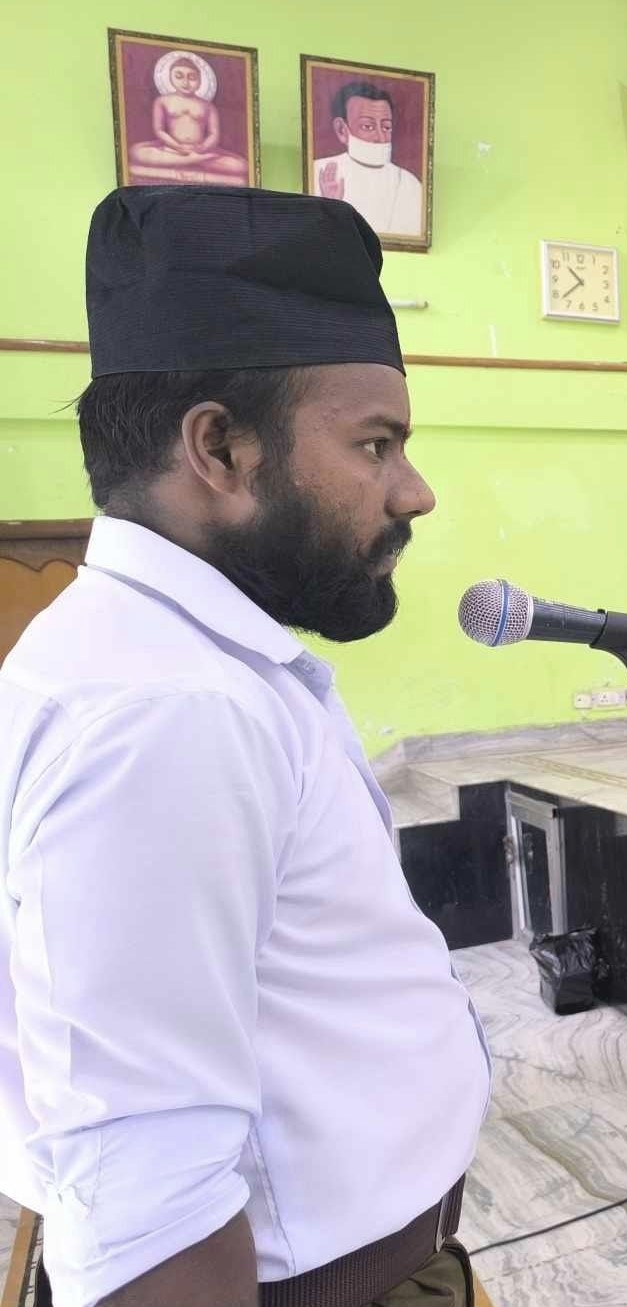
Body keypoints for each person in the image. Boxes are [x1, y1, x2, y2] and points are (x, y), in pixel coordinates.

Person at [0, 187, 486, 1306]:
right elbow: (150, 1214)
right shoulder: (168, 710)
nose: (414, 490)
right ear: (219, 447)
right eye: (375, 444)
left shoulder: (171, 657)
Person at [314, 81, 426, 239]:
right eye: (368, 126)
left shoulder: (410, 184)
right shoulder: (317, 171)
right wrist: (331, 207)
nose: (380, 137)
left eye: (386, 127)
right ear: (342, 130)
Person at [128, 51, 248, 183]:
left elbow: (214, 134)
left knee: (241, 165)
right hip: (171, 150)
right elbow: (159, 130)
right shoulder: (162, 101)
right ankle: (191, 162)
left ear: (200, 80)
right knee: (136, 152)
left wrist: (202, 148)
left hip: (201, 152)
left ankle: (188, 161)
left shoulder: (207, 106)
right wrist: (177, 147)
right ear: (170, 77)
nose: (185, 82)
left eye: (192, 77)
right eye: (179, 76)